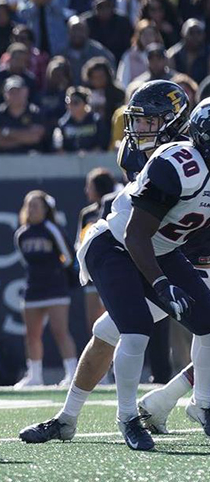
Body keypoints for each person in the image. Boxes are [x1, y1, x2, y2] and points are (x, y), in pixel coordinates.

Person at [21, 81, 210, 451]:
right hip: (123, 245)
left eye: (147, 121)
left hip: (169, 249)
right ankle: (124, 418)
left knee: (182, 322)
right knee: (129, 329)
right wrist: (160, 282)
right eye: (137, 121)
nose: (137, 129)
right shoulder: (177, 163)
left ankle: (197, 403)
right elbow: (137, 229)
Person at [14, 191, 78, 388]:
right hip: (33, 289)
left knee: (60, 331)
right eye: (29, 205)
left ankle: (73, 374)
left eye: (36, 206)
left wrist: (54, 271)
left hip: (55, 288)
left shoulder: (52, 228)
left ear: (45, 209)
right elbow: (24, 261)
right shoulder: (21, 233)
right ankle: (34, 376)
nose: (32, 209)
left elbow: (67, 257)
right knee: (32, 334)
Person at [76, 168, 116, 332]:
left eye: (89, 186)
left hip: (114, 270)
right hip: (93, 273)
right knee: (94, 323)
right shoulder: (87, 214)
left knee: (116, 320)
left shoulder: (117, 207)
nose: (86, 190)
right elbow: (79, 241)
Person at [0, 76, 46, 155]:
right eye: (11, 92)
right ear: (4, 94)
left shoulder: (35, 113)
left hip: (30, 160)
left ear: (26, 92)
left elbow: (35, 137)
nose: (15, 95)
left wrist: (7, 133)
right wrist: (23, 138)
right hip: (2, 159)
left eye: (18, 91)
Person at [53, 86, 108, 153]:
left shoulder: (96, 121)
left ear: (85, 104)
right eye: (69, 102)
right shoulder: (63, 124)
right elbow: (59, 149)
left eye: (75, 102)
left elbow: (102, 145)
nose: (71, 106)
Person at [117, 19, 163, 89]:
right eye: (144, 34)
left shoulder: (163, 54)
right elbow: (123, 81)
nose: (147, 38)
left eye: (150, 34)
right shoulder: (129, 56)